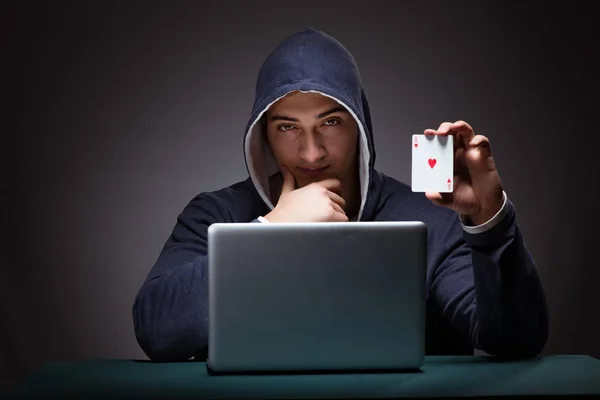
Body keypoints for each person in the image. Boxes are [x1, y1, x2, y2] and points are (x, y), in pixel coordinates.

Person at [132, 27, 549, 361]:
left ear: (360, 127)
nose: (311, 152)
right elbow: (156, 329)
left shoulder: (429, 218)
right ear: (262, 135)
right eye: (287, 127)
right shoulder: (217, 213)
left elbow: (515, 340)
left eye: (330, 123)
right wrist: (271, 231)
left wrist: (490, 220)